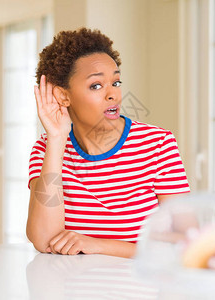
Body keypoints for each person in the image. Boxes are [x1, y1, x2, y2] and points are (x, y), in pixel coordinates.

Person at [27, 28, 190, 258]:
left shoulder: (158, 145)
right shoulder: (46, 151)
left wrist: (99, 245)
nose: (113, 94)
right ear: (63, 96)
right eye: (96, 85)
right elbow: (44, 240)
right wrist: (56, 139)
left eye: (116, 82)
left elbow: (186, 241)